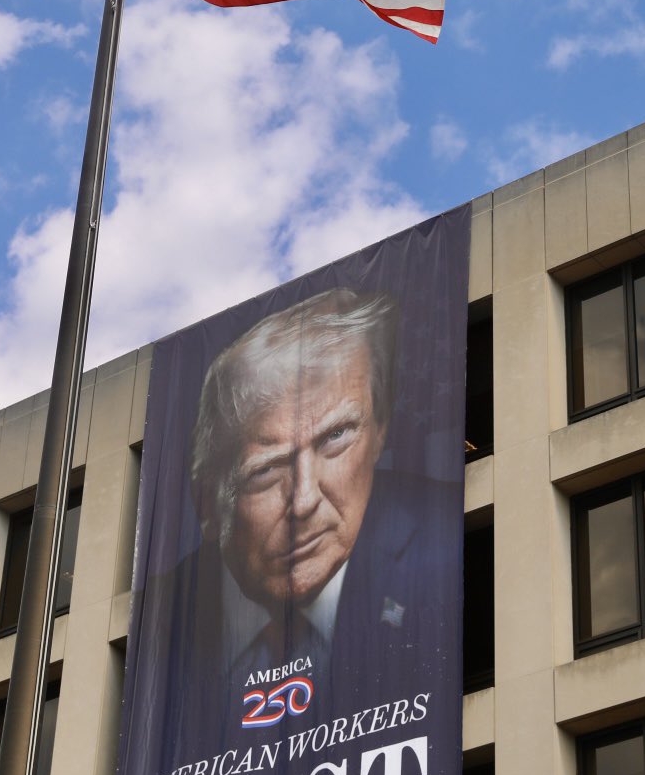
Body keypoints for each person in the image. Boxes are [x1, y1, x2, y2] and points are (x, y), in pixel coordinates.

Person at [184, 286, 448, 694]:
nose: (304, 501)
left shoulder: (445, 538)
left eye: (336, 437)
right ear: (207, 505)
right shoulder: (163, 623)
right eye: (266, 470)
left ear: (379, 429)